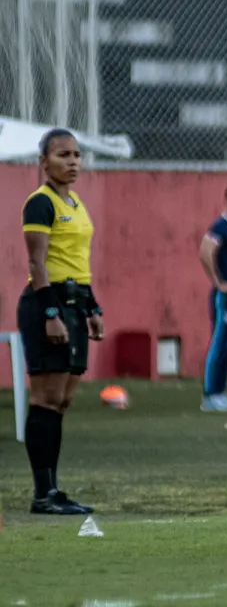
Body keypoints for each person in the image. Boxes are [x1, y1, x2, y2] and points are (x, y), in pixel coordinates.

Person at [18, 128, 104, 515]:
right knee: (46, 398)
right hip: (46, 305)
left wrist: (92, 307)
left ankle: (53, 490)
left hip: (73, 303)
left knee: (63, 400)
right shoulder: (40, 203)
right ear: (44, 162)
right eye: (62, 155)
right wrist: (51, 313)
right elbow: (38, 263)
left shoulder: (77, 203)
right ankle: (43, 493)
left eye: (76, 155)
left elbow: (77, 264)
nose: (72, 162)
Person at [198, 184, 227, 412]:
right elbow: (205, 252)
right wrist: (218, 283)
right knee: (220, 342)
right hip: (225, 297)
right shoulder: (220, 227)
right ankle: (210, 395)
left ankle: (221, 391)